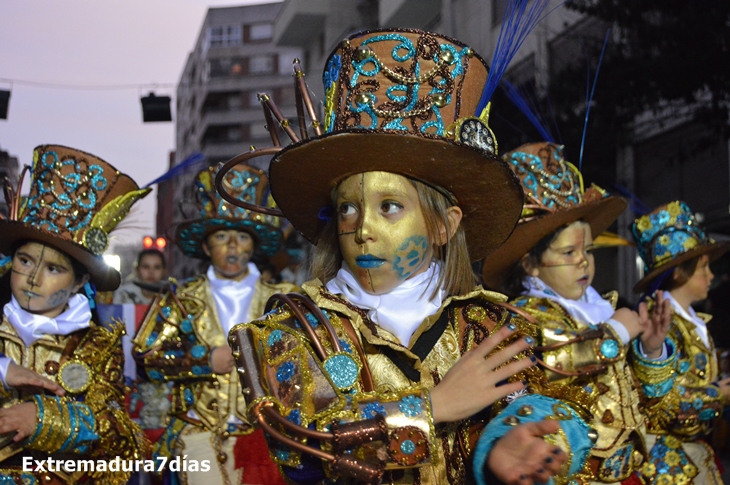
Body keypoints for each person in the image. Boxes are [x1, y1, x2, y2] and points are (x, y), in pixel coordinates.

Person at [225, 30, 603, 485]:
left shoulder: (497, 327)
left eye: (390, 207)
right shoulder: (292, 331)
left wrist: (509, 447)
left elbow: (573, 421)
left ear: (444, 225)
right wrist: (433, 407)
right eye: (348, 208)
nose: (362, 229)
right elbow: (299, 448)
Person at [480, 141, 672, 484]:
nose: (583, 260)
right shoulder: (527, 314)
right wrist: (613, 335)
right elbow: (557, 361)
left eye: (588, 250)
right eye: (569, 251)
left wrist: (652, 350)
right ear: (531, 266)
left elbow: (648, 403)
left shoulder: (602, 309)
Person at [133, 163, 297, 485]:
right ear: (207, 246)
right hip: (200, 432)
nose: (233, 246)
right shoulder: (180, 298)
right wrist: (204, 361)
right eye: (222, 236)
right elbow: (146, 360)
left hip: (270, 437)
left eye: (241, 236)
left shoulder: (283, 300)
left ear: (254, 244)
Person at [0, 144, 149, 484]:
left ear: (80, 281)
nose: (34, 279)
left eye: (53, 268)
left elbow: (119, 442)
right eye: (25, 261)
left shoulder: (95, 345)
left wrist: (43, 419)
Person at [630, 201, 730, 485]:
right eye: (703, 268)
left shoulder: (693, 321)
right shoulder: (659, 323)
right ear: (678, 273)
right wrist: (717, 396)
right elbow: (661, 403)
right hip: (666, 463)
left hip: (694, 451)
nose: (711, 276)